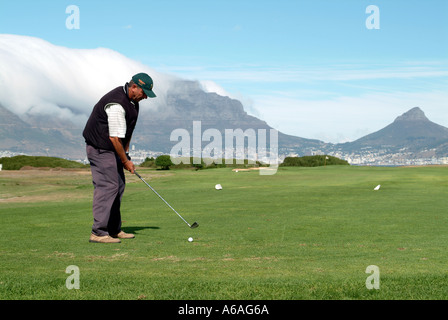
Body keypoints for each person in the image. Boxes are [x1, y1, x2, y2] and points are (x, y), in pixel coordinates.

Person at [83, 73, 156, 243]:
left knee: (119, 186)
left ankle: (114, 229)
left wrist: (126, 154)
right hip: (100, 148)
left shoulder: (133, 103)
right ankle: (98, 232)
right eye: (143, 92)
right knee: (108, 186)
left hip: (113, 149)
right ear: (133, 87)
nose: (145, 97)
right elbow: (114, 138)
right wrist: (125, 161)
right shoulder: (117, 104)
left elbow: (126, 133)